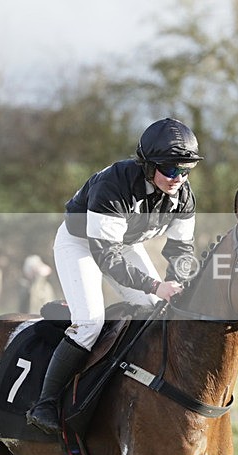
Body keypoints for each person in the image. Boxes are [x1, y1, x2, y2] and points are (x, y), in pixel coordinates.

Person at [26, 118, 202, 434]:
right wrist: (155, 284)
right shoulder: (114, 185)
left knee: (154, 311)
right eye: (171, 170)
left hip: (125, 244)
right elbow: (107, 257)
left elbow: (181, 250)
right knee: (90, 323)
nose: (179, 178)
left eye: (186, 170)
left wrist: (180, 281)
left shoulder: (184, 196)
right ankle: (45, 403)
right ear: (148, 166)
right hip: (80, 244)